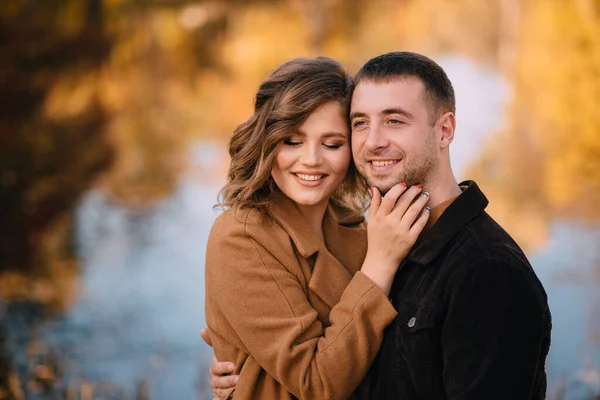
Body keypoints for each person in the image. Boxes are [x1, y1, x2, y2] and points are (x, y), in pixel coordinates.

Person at [206, 51, 552, 400]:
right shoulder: (388, 238)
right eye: (360, 124)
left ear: (445, 130)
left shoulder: (487, 270)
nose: (373, 142)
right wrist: (251, 365)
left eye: (394, 121)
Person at [203, 56, 430, 400]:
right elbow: (318, 384)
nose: (311, 159)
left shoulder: (356, 227)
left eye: (332, 144)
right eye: (292, 141)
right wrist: (379, 267)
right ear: (267, 141)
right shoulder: (241, 235)